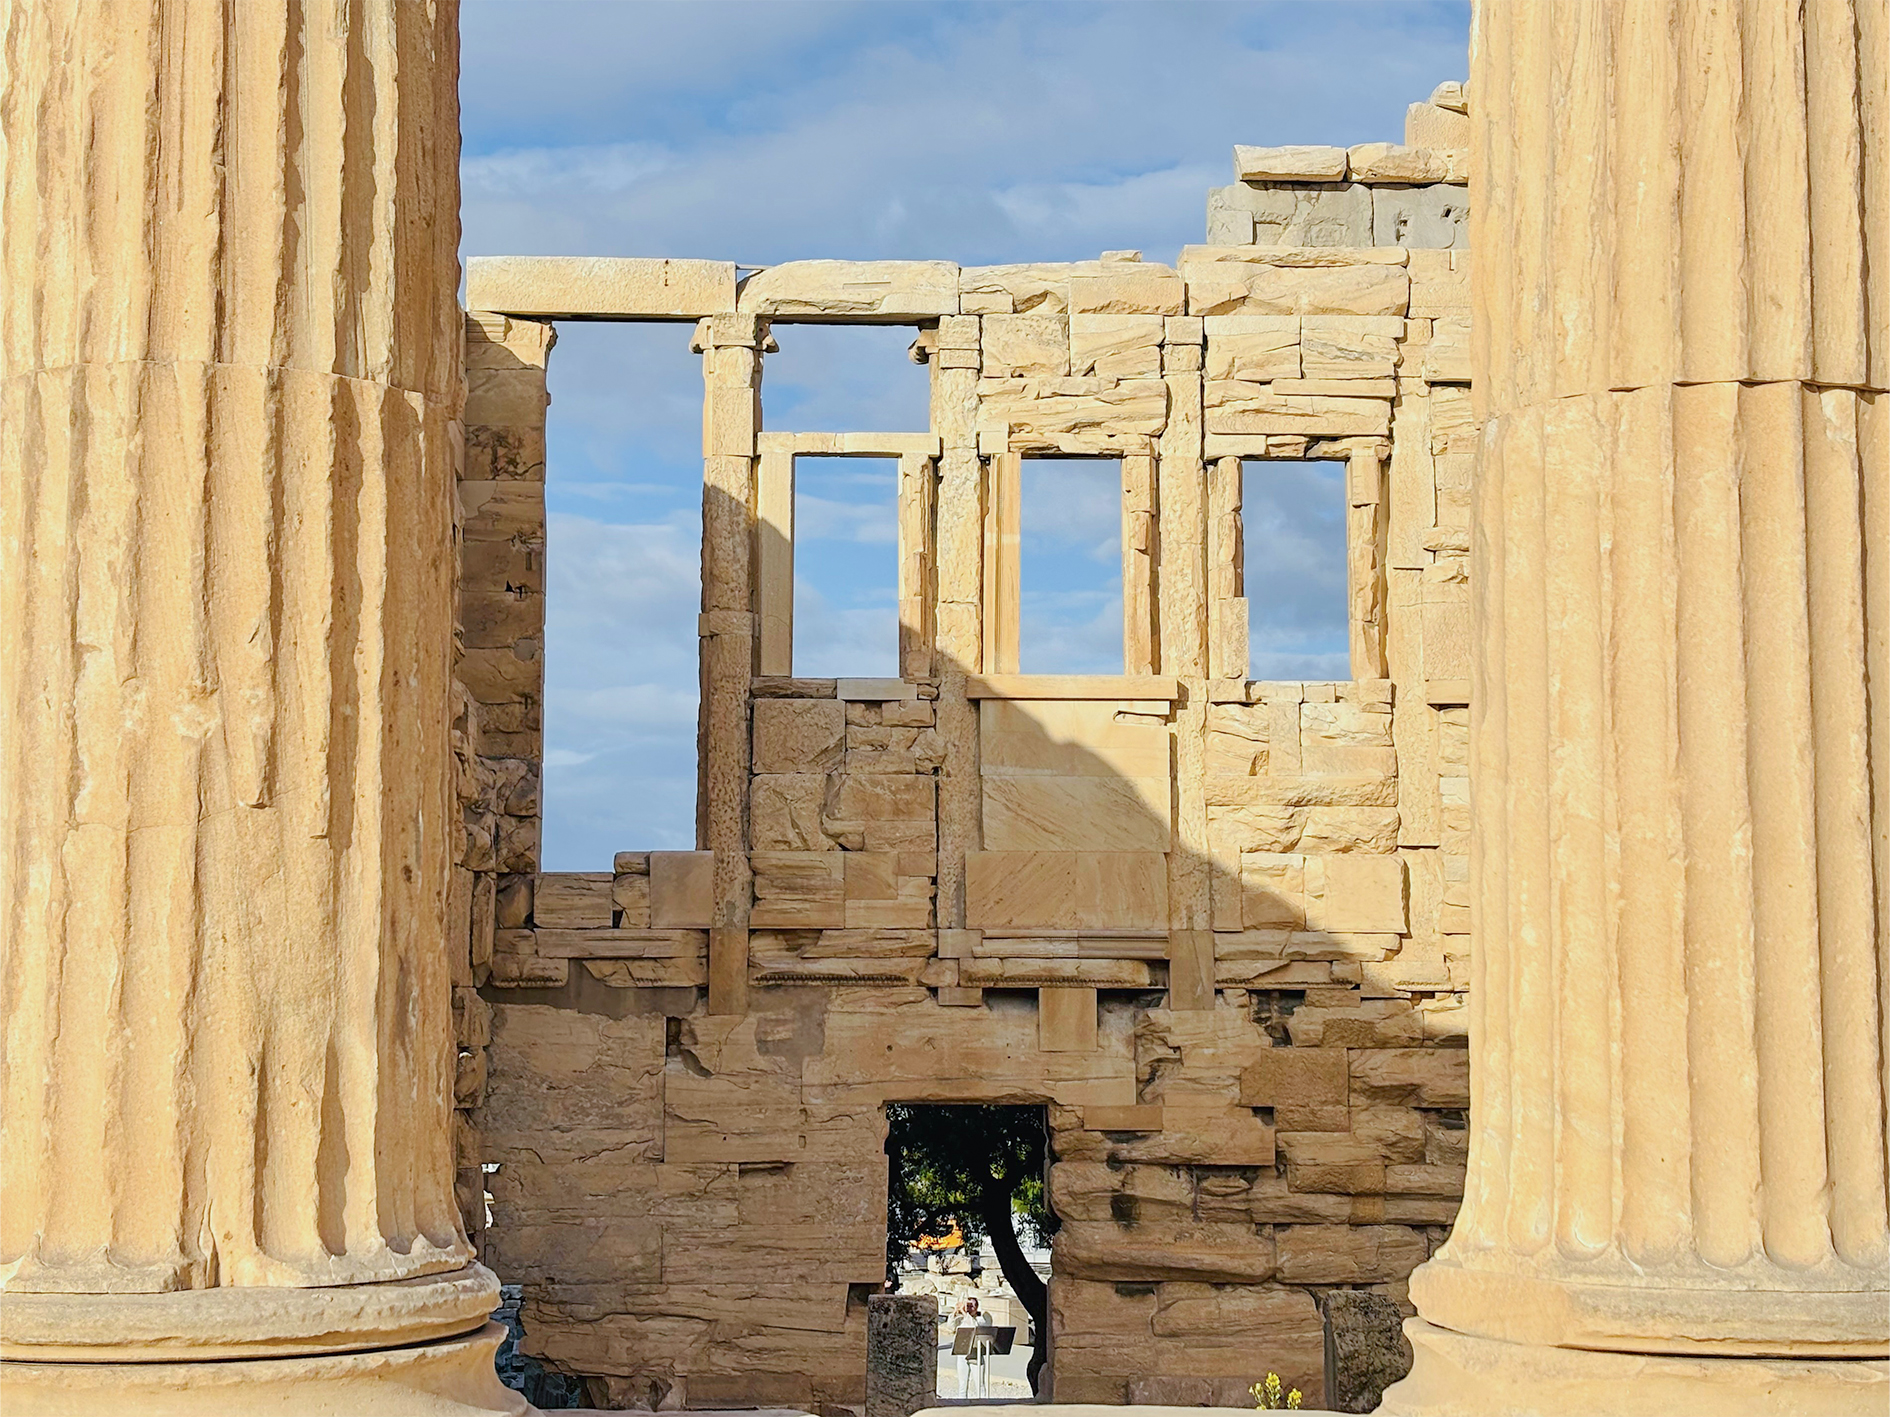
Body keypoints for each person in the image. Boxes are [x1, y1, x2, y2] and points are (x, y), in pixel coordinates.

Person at [954, 1296, 993, 1398]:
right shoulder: (961, 1319)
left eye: (972, 1306)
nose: (969, 1308)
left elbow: (972, 1326)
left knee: (980, 1385)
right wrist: (955, 1312)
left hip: (976, 1355)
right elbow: (950, 1325)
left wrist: (965, 1314)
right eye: (968, 1306)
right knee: (962, 1385)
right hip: (962, 1354)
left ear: (977, 1307)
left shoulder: (980, 1320)